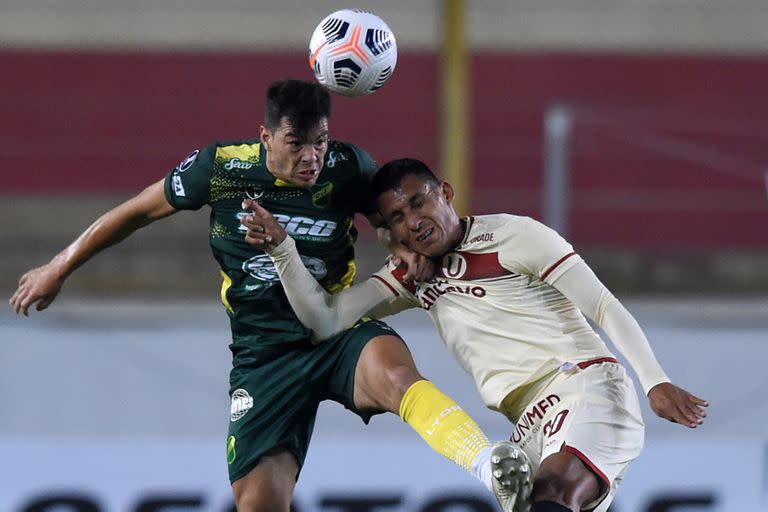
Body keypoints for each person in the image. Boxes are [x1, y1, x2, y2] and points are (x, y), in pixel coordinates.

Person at [9, 82, 530, 512]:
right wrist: (59, 266)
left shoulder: (349, 168)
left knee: (396, 376)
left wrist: (403, 249)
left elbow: (390, 221)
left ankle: (488, 465)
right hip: (264, 356)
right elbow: (136, 212)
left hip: (334, 331)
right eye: (296, 144)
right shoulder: (220, 168)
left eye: (320, 142)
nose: (311, 157)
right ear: (265, 137)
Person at [241, 157, 709, 512]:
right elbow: (324, 320)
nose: (412, 220)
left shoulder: (515, 236)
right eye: (397, 218)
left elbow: (603, 306)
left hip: (585, 386)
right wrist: (284, 250)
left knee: (554, 490)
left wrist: (654, 380)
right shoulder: (412, 277)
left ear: (445, 192)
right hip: (528, 425)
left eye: (417, 202)